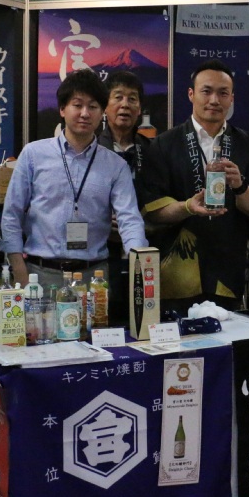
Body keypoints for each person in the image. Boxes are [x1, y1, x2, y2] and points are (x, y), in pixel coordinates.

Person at [139, 60, 249, 312]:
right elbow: (151, 210)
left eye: (223, 93)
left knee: (228, 333)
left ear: (232, 98)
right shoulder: (163, 145)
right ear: (191, 94)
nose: (214, 100)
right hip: (176, 271)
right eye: (206, 91)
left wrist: (240, 187)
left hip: (228, 267)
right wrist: (187, 207)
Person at [2, 69, 147, 292]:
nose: (85, 113)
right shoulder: (33, 154)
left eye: (93, 107)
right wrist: (19, 270)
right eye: (77, 105)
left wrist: (140, 264)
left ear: (102, 112)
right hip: (40, 275)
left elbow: (130, 219)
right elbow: (11, 214)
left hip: (94, 279)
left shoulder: (116, 165)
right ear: (62, 109)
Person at [96, 70, 153, 321]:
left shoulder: (152, 150)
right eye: (118, 97)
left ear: (139, 109)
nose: (125, 105)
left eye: (132, 99)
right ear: (105, 106)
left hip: (142, 248)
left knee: (139, 321)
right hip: (101, 252)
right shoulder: (92, 148)